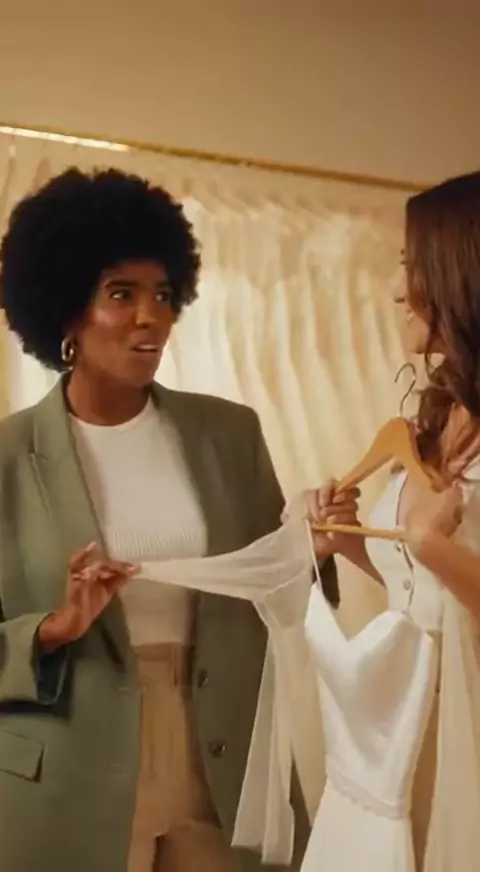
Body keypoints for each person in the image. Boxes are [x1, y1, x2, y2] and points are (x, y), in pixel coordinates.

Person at [0, 167, 359, 872]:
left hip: (222, 754)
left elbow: (275, 592)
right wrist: (55, 627)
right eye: (121, 294)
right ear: (66, 311)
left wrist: (312, 551)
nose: (151, 316)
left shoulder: (229, 434)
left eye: (163, 294)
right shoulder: (7, 458)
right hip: (70, 770)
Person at [299, 171, 480, 872]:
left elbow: (444, 565)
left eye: (411, 264)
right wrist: (353, 545)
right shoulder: (442, 417)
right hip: (406, 727)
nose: (396, 289)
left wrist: (430, 543)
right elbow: (432, 596)